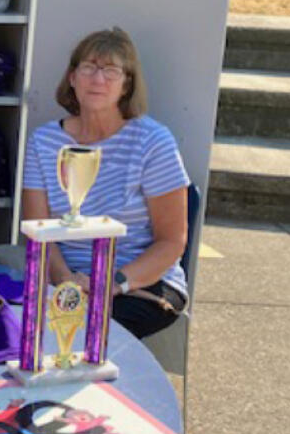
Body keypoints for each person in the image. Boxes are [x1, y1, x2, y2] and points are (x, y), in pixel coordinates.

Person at [21, 27, 189, 339]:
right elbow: (38, 231)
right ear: (73, 78)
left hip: (136, 284)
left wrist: (110, 283)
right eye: (88, 68)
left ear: (127, 84)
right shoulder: (43, 141)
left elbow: (171, 242)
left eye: (111, 71)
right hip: (64, 280)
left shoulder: (153, 141)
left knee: (87, 336)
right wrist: (67, 283)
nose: (98, 80)